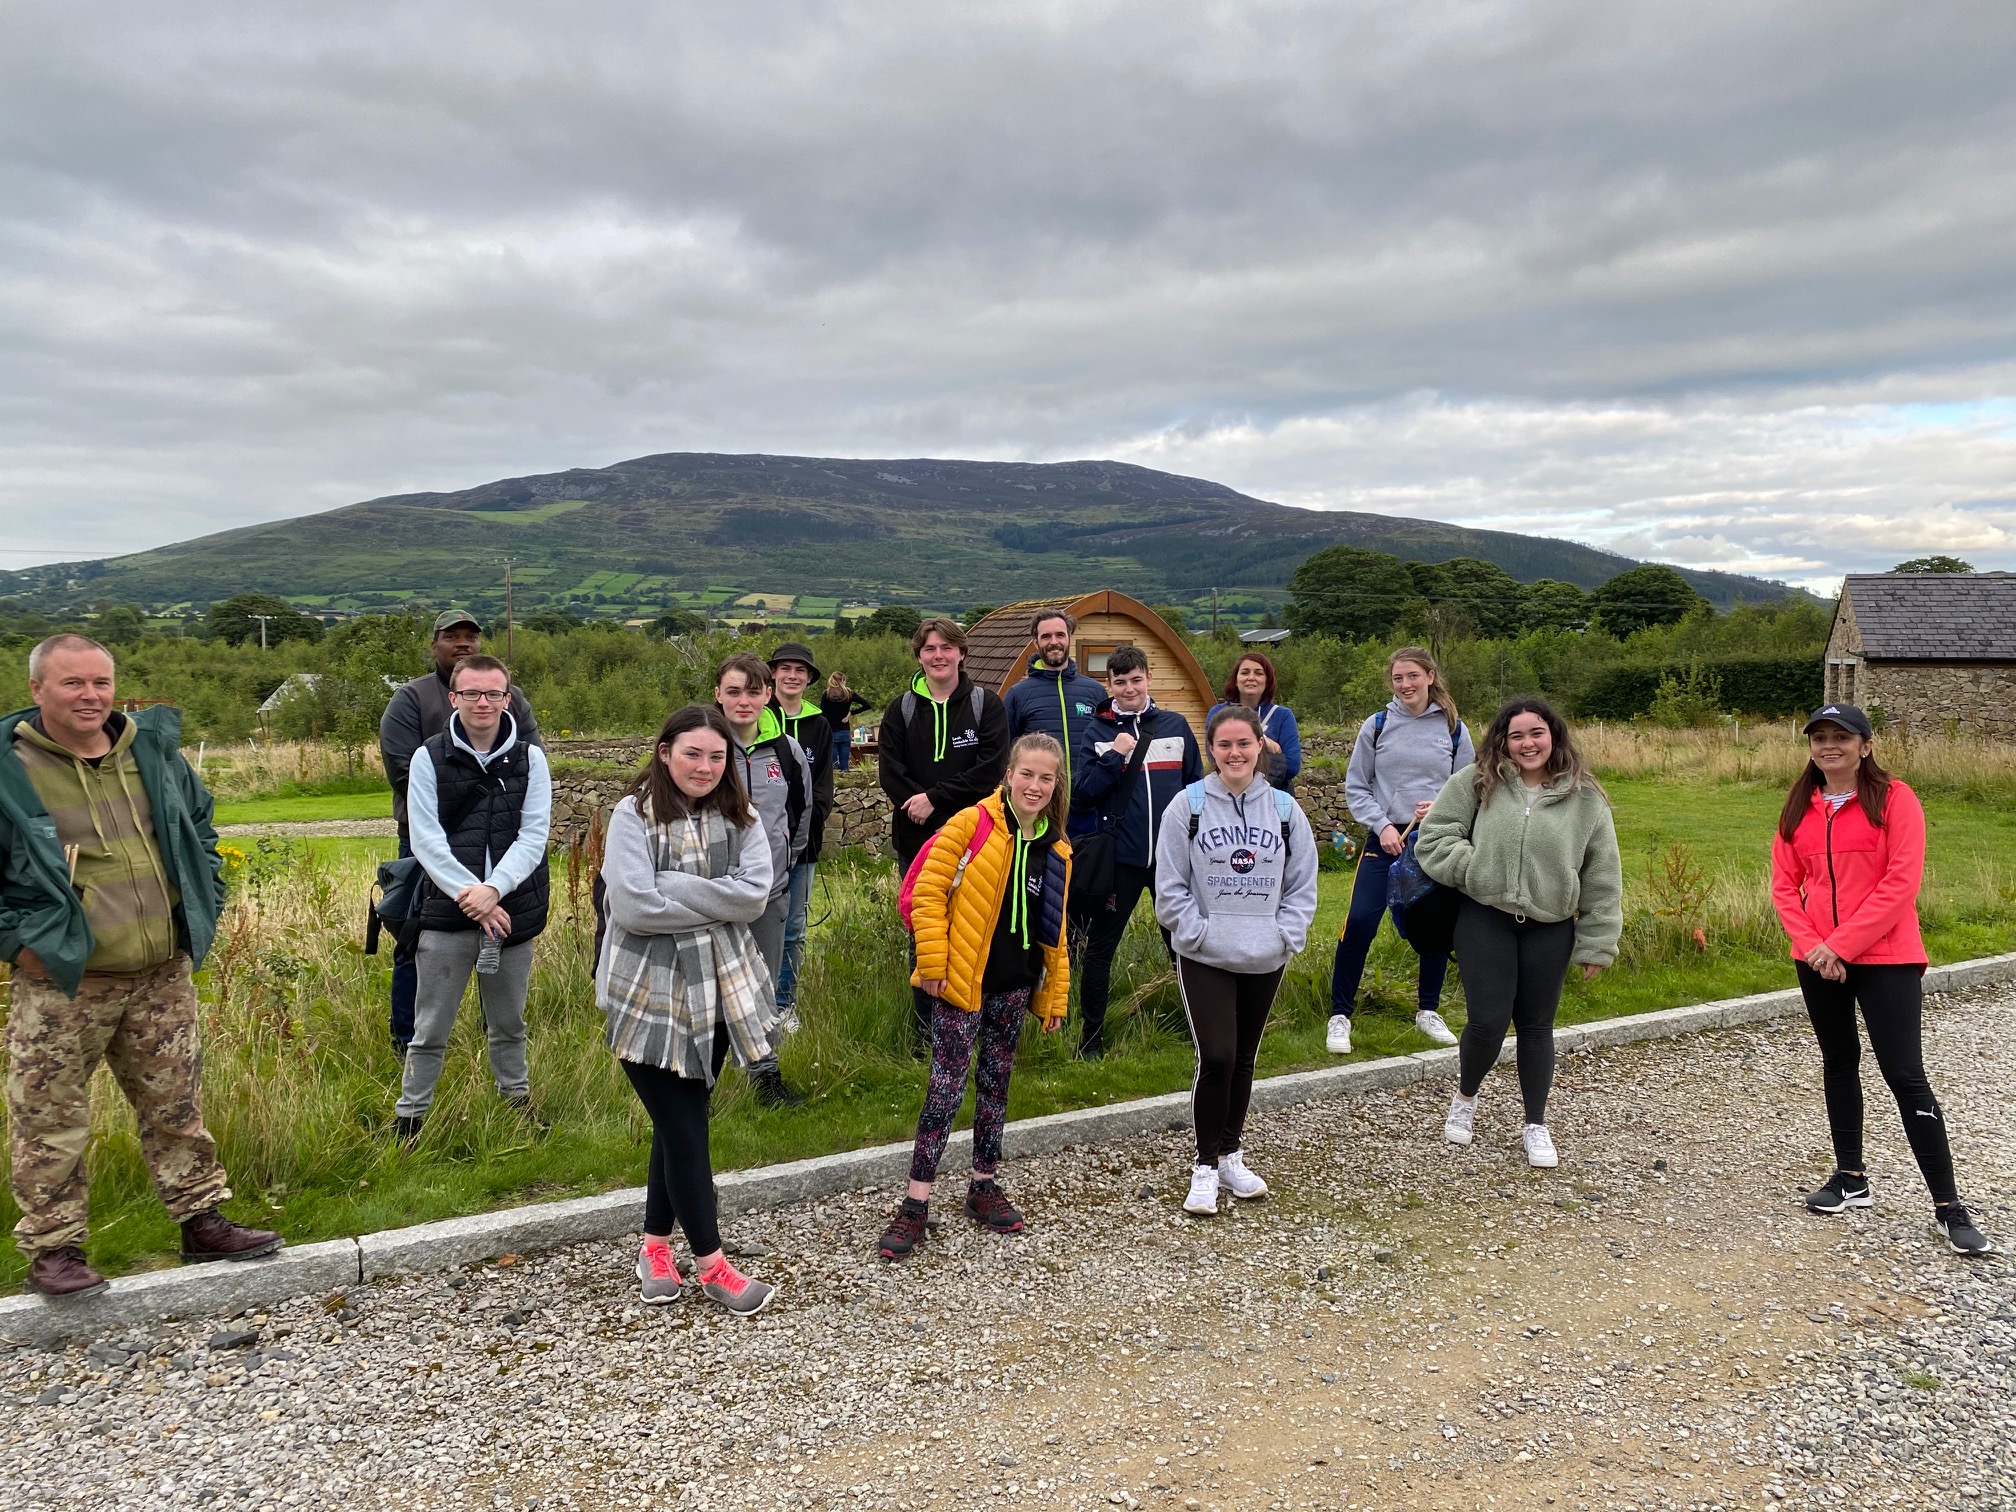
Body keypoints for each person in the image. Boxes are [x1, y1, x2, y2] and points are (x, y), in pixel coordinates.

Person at [3, 634, 280, 1299]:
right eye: (73, 684)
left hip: (159, 970)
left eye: (101, 682)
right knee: (50, 1119)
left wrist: (201, 903)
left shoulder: (151, 754)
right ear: (37, 688)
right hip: (64, 981)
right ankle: (55, 1248)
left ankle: (199, 1220)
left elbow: (201, 828)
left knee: (175, 1105)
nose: (91, 696)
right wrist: (17, 944)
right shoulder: (10, 771)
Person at [1771, 703, 1993, 1256]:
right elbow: (1784, 886)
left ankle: (1948, 1205)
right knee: (1839, 1063)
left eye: (1840, 738)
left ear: (1865, 746)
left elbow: (1900, 884)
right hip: (1817, 957)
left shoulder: (1896, 799)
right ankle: (1851, 1177)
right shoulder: (1801, 804)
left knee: (1904, 1074)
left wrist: (1840, 945)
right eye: (1819, 738)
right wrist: (1814, 946)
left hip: (1886, 957)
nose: (1829, 747)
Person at [598, 704, 779, 1313]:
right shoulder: (632, 815)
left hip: (721, 991)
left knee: (680, 1125)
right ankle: (712, 1264)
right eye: (692, 753)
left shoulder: (743, 816)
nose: (704, 767)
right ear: (665, 751)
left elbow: (754, 898)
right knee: (686, 1127)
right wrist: (715, 903)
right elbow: (632, 908)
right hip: (646, 995)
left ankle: (654, 1246)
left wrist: (670, 884)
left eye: (716, 756)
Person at [877, 735, 1073, 1261]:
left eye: (1046, 778)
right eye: (1026, 774)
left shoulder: (1055, 845)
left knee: (996, 1084)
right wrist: (934, 964)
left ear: (1057, 786)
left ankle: (983, 1186)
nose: (1035, 786)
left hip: (1014, 986)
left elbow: (1054, 928)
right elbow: (927, 892)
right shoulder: (971, 824)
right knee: (945, 1088)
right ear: (1008, 775)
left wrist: (1053, 996)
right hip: (962, 983)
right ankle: (915, 1203)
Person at [1416, 697, 1622, 1170]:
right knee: (1487, 1022)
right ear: (1503, 742)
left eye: (1536, 733)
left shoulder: (1585, 796)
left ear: (1554, 736)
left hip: (1550, 927)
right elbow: (1435, 837)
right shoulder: (1477, 781)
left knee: (1536, 1027)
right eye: (1517, 735)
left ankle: (1535, 1124)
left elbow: (1603, 874)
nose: (1528, 743)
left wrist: (1597, 941)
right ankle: (1466, 1099)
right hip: (1485, 918)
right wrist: (1476, 870)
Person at [1154, 705, 1318, 1217]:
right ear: (1212, 750)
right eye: (1224, 745)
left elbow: (1302, 885)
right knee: (1218, 1055)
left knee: (1244, 1059)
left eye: (1243, 744)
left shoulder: (1287, 812)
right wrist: (1196, 932)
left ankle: (1231, 1154)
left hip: (1264, 956)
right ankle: (1204, 1166)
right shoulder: (1189, 806)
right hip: (1205, 955)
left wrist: (1284, 936)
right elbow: (1170, 885)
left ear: (1259, 746)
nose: (1235, 753)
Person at [393, 655, 552, 1144]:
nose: (482, 702)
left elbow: (534, 835)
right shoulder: (428, 757)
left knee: (509, 1024)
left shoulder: (531, 759)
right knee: (429, 1030)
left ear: (508, 699)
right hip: (446, 916)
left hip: (511, 913)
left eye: (492, 694)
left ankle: (517, 1106)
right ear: (452, 698)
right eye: (471, 693)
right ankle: (410, 1121)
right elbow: (426, 840)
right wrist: (474, 897)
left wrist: (494, 891)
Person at [379, 609, 542, 1054]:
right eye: (453, 636)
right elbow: (402, 770)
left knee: (503, 937)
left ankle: (498, 1033)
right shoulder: (409, 699)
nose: (463, 643)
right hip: (428, 842)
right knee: (418, 939)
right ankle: (410, 1039)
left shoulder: (512, 698)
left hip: (501, 845)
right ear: (435, 646)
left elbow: (530, 760)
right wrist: (475, 793)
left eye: (471, 636)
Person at [1329, 647, 1475, 1053]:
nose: (1406, 684)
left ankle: (1427, 1010)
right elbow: (1357, 786)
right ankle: (1340, 1015)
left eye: (1413, 676)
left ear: (1430, 676)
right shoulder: (1376, 726)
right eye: (1398, 678)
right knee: (1359, 922)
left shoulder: (1454, 729)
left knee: (1434, 928)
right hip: (1385, 840)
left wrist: (1442, 806)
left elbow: (1470, 788)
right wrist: (1382, 826)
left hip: (1435, 841)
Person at [877, 617, 1011, 1048]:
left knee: (976, 931)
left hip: (975, 841)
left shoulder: (985, 705)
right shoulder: (900, 709)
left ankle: (973, 1030)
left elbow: (990, 769)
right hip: (916, 841)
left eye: (947, 648)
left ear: (961, 653)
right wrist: (919, 804)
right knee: (926, 936)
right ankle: (926, 1037)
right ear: (919, 655)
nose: (939, 656)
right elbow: (890, 771)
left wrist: (935, 799)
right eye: (930, 649)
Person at [1067, 644, 1201, 1058]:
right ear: (1109, 685)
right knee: (1101, 949)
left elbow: (1196, 790)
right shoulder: (1099, 732)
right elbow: (1083, 796)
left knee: (1185, 948)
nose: (1128, 688)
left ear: (1148, 679)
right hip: (1119, 862)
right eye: (1120, 682)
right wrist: (1117, 755)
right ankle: (1091, 1039)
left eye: (1135, 679)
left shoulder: (1175, 725)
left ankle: (1201, 1031)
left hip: (1171, 862)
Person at [715, 654, 814, 1107]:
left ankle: (766, 1078)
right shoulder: (702, 744)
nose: (743, 701)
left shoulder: (788, 752)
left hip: (768, 894)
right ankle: (700, 1085)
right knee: (705, 991)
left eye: (753, 692)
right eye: (733, 691)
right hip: (709, 898)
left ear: (768, 694)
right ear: (718, 693)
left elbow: (802, 815)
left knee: (763, 987)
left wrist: (781, 870)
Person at [767, 642, 833, 1040]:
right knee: (754, 925)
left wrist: (807, 826)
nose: (792, 676)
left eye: (800, 670)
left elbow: (823, 786)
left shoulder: (820, 725)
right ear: (773, 674)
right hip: (757, 845)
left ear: (809, 678)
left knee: (793, 929)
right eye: (785, 668)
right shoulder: (757, 714)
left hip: (803, 845)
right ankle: (751, 1003)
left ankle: (783, 1005)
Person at [1001, 608, 1104, 791]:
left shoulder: (1095, 692)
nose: (1054, 642)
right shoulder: (1017, 695)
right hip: (1039, 806)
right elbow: (1006, 756)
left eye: (1060, 635)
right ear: (1035, 642)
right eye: (1046, 636)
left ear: (1069, 638)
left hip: (1087, 807)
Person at [1207, 651, 1301, 794]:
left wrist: (1242, 768)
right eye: (1245, 673)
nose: (1251, 678)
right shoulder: (1218, 713)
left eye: (1259, 673)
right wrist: (1265, 744)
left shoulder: (1282, 715)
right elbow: (1215, 757)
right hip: (1227, 796)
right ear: (1236, 679)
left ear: (1267, 680)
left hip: (1273, 797)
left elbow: (1292, 766)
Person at [820, 670, 872, 772]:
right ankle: (846, 781)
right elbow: (867, 705)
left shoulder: (827, 694)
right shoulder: (849, 693)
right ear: (843, 680)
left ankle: (836, 786)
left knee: (833, 765)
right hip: (845, 731)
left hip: (831, 731)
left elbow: (822, 714)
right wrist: (851, 712)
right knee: (845, 765)